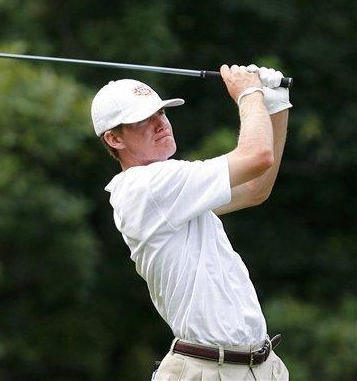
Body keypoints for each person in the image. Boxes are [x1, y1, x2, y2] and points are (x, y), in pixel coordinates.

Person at [91, 64, 292, 381]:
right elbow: (257, 156)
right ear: (114, 138)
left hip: (259, 367)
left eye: (160, 113)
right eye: (143, 120)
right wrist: (248, 93)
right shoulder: (148, 187)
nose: (160, 124)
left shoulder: (176, 192)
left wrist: (275, 102)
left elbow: (256, 188)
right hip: (207, 371)